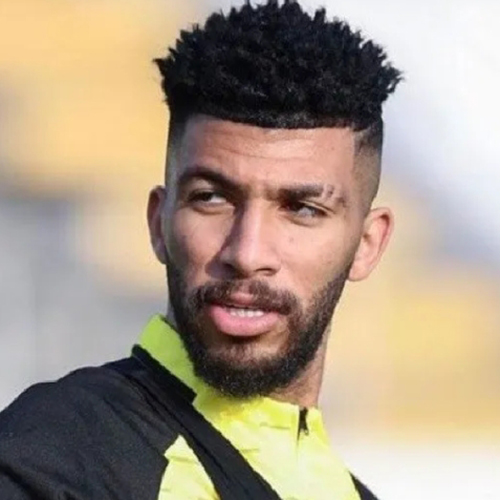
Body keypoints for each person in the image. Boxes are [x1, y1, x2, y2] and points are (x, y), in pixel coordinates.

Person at [0, 0, 402, 498]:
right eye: (211, 198)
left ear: (367, 244)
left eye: (301, 208)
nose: (247, 252)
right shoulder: (55, 461)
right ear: (158, 221)